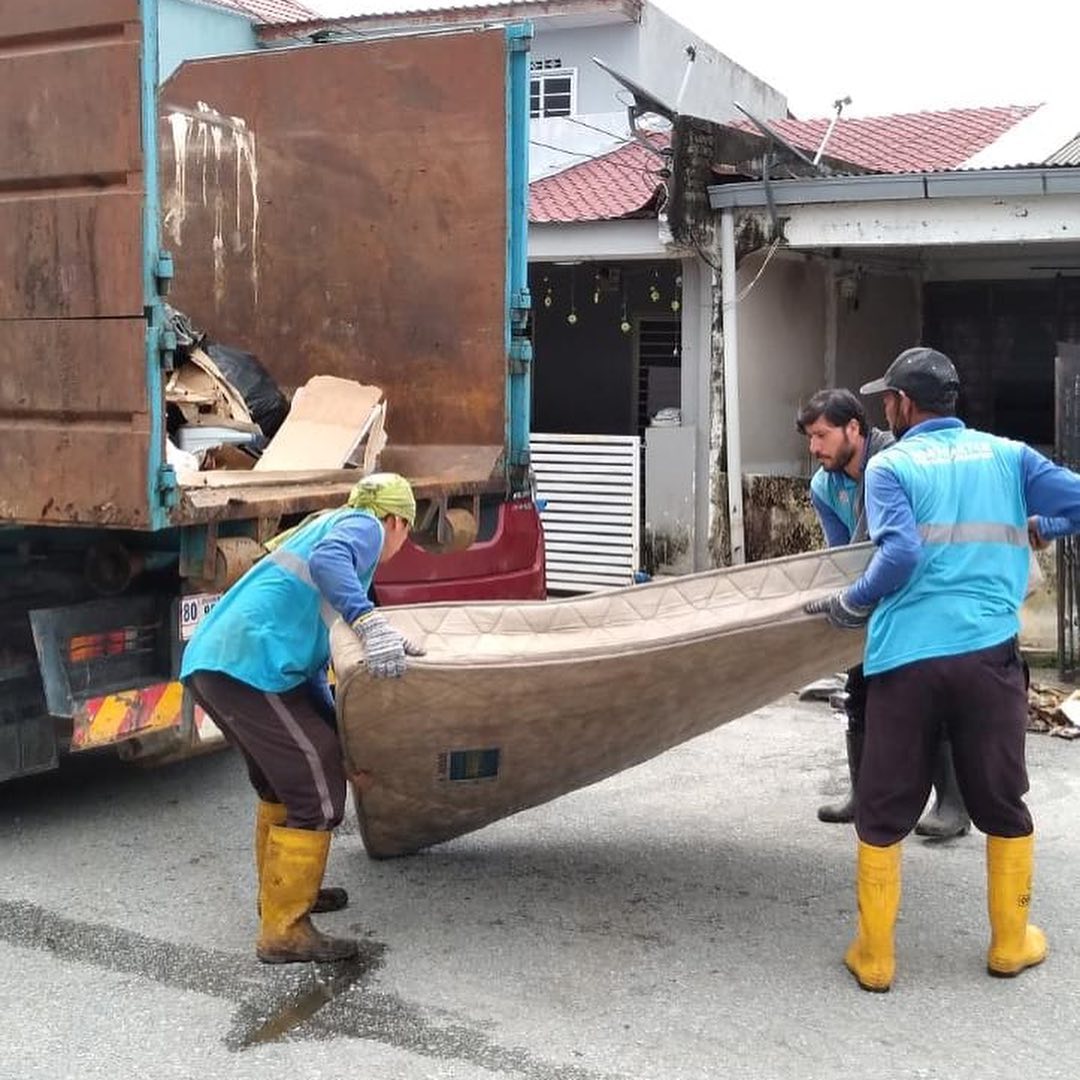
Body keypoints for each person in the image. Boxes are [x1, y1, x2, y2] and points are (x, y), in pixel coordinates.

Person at [804, 346, 1080, 992]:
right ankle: (1010, 943)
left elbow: (896, 556)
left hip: (906, 660)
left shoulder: (891, 465)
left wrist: (851, 602)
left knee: (882, 807)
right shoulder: (1007, 456)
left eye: (887, 400)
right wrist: (1042, 526)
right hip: (988, 657)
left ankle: (875, 958)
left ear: (902, 405)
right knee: (1003, 801)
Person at [181, 472, 423, 964]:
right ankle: (284, 931)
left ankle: (283, 897)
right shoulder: (362, 527)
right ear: (398, 520)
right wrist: (369, 620)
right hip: (249, 667)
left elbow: (312, 667)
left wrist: (343, 728)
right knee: (316, 789)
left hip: (228, 664)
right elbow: (330, 562)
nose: (401, 541)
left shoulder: (325, 527)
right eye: (408, 532)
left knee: (285, 782)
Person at [797, 388, 970, 838]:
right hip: (868, 590)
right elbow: (843, 555)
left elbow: (907, 540)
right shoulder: (824, 485)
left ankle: (952, 806)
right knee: (860, 689)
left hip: (921, 590)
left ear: (853, 427)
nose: (815, 449)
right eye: (810, 439)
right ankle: (864, 796)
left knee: (928, 695)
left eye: (822, 435)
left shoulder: (898, 461)